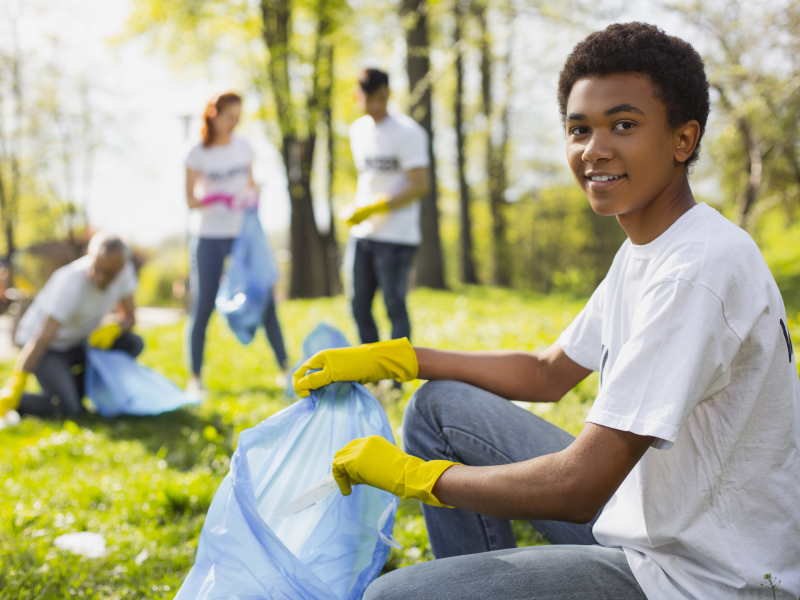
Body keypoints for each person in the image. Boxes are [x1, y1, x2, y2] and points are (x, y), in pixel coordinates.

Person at [293, 23, 800, 600]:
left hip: (701, 579)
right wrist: (400, 359)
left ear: (683, 140)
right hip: (649, 522)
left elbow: (580, 486)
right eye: (579, 129)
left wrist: (418, 479)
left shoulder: (699, 268)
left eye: (624, 125)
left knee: (394, 598)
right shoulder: (652, 249)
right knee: (439, 409)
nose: (595, 148)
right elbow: (547, 371)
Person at [184, 91, 288, 398]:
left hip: (243, 234)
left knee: (264, 295)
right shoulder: (196, 152)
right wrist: (217, 197)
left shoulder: (244, 148)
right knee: (202, 305)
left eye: (238, 117)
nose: (234, 123)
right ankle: (195, 378)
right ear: (213, 114)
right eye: (229, 116)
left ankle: (285, 368)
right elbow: (190, 200)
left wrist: (250, 195)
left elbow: (250, 184)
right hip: (209, 234)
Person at [0, 232, 144, 418]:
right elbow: (41, 339)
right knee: (69, 410)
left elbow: (130, 317)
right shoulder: (70, 283)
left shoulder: (125, 272)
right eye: (97, 268)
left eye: (109, 273)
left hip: (78, 342)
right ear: (88, 256)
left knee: (132, 343)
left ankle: (72, 392)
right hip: (47, 347)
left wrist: (115, 327)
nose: (100, 278)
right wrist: (17, 382)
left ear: (122, 267)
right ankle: (16, 401)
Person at [345, 69, 431, 347]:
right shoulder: (357, 130)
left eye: (381, 98)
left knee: (394, 305)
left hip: (397, 236)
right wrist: (357, 208)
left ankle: (395, 378)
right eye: (369, 99)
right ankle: (370, 374)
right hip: (363, 234)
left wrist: (379, 205)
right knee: (358, 306)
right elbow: (368, 178)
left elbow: (420, 184)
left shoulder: (409, 133)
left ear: (389, 94)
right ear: (358, 97)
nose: (375, 106)